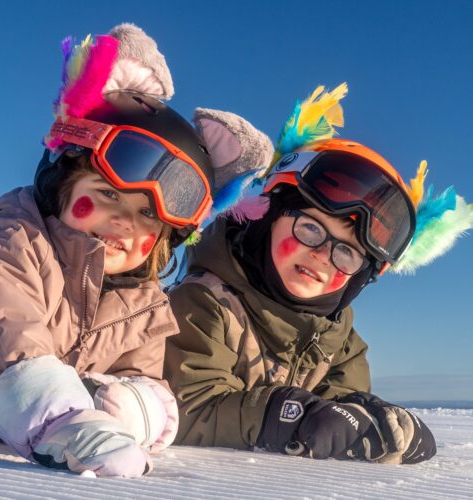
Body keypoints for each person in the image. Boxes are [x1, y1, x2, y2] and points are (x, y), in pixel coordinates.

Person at [165, 84, 472, 464]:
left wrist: (379, 424)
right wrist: (293, 417)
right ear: (267, 217)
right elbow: (188, 408)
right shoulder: (202, 304)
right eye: (310, 229)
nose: (324, 256)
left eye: (347, 252)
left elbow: (341, 416)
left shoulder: (340, 342)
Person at [0, 24, 216, 477]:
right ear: (62, 187)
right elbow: (3, 343)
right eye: (107, 194)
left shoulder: (144, 306)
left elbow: (143, 380)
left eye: (148, 216)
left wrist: (126, 405)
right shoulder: (11, 244)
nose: (125, 221)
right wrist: (70, 424)